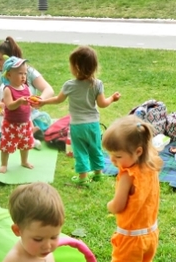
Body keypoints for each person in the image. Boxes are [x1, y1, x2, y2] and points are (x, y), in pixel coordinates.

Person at [102, 116, 163, 262]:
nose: (113, 160)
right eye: (111, 155)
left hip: (131, 237)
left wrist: (110, 205)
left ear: (137, 151)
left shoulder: (128, 175)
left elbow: (118, 205)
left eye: (118, 156)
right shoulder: (151, 165)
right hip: (150, 233)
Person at [34, 46, 120, 186]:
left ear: (76, 67)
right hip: (93, 125)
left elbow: (58, 100)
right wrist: (112, 98)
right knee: (95, 148)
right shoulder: (97, 84)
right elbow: (103, 104)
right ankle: (98, 174)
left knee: (80, 151)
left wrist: (43, 102)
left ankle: (83, 177)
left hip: (77, 126)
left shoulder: (69, 85)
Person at [0, 36, 54, 146]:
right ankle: (24, 135)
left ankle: (26, 134)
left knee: (40, 121)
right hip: (6, 117)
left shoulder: (28, 72)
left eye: (0, 59)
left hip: (28, 115)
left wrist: (38, 101)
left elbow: (48, 89)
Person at [0, 56, 36, 174]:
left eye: (25, 73)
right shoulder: (8, 89)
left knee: (26, 144)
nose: (23, 76)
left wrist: (33, 104)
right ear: (9, 75)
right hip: (11, 124)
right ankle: (4, 164)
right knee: (6, 145)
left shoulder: (26, 88)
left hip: (25, 123)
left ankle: (24, 161)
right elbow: (9, 106)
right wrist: (19, 102)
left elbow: (29, 103)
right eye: (20, 73)